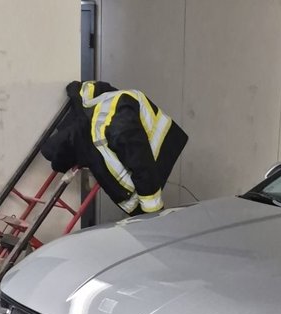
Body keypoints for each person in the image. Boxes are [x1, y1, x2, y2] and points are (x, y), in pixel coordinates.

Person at [42, 81, 188, 214]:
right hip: (150, 136)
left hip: (155, 151)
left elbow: (141, 163)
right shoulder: (92, 103)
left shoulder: (114, 128)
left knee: (142, 170)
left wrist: (153, 210)